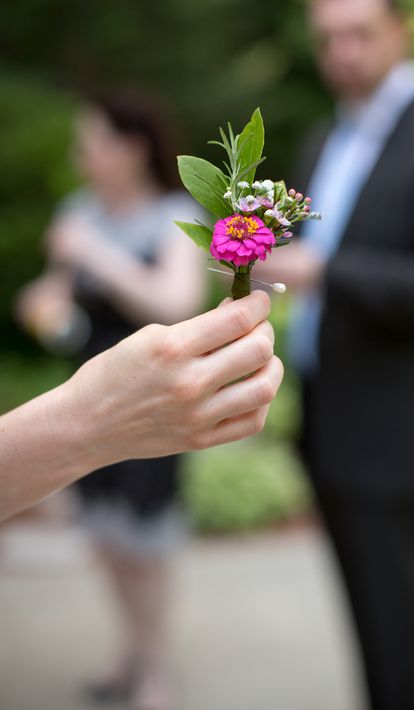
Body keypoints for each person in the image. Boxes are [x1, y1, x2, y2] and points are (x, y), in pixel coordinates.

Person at [256, 1, 414, 709]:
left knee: (407, 640)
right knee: (371, 635)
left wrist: (329, 272)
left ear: (401, 31)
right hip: (331, 421)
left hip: (400, 430)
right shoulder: (324, 138)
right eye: (327, 39)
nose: (343, 52)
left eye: (360, 34)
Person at [14, 89, 236, 708]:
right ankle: (130, 656)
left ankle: (155, 669)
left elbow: (173, 304)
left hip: (151, 402)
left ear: (132, 149)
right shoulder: (78, 210)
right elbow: (54, 289)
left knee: (146, 547)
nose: (81, 156)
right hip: (84, 398)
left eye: (92, 144)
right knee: (107, 542)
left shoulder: (170, 213)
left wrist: (95, 253)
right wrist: (40, 300)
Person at [1, 291, 281, 520]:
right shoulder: (78, 225)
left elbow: (177, 302)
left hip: (154, 390)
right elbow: (44, 293)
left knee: (144, 535)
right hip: (99, 384)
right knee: (98, 527)